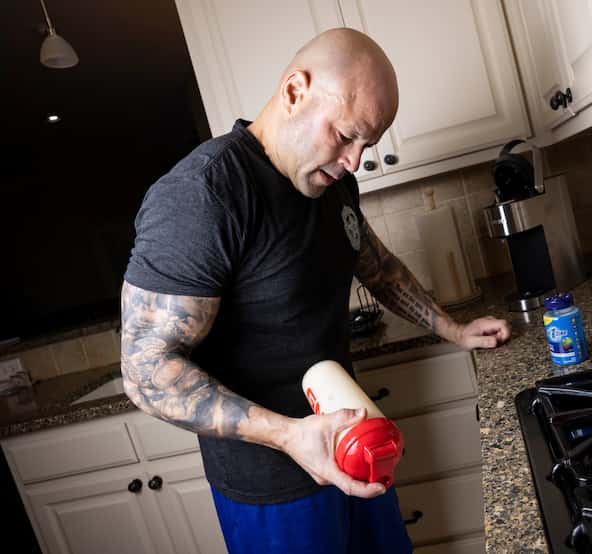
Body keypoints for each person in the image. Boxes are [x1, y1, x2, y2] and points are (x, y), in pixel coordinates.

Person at [120, 28, 510, 553]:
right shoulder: (205, 195)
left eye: (366, 145)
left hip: (355, 448)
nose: (354, 160)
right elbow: (145, 373)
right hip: (274, 489)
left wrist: (453, 328)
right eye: (346, 135)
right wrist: (289, 435)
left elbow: (376, 265)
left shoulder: (331, 180)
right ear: (294, 91)